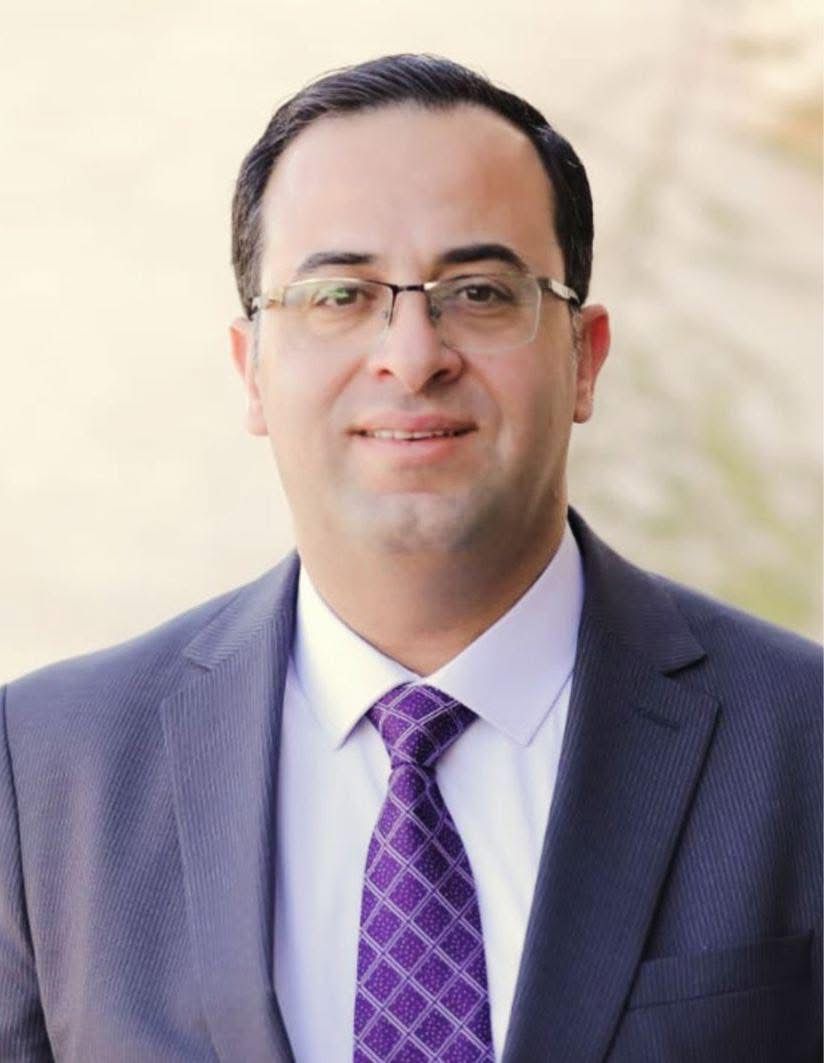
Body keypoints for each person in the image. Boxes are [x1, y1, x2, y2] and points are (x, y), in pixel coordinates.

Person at [1, 53, 820, 1063]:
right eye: (339, 295)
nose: (412, 354)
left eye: (477, 291)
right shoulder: (46, 771)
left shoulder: (802, 740)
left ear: (584, 357)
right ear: (251, 370)